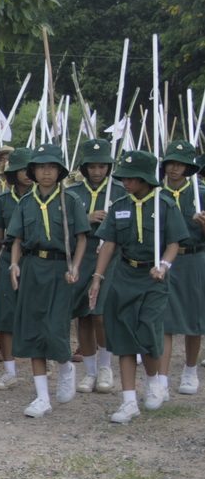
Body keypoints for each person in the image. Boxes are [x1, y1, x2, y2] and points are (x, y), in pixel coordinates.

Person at [89, 150, 188, 422]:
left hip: (153, 278)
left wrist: (164, 265)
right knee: (123, 337)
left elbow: (173, 243)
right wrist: (97, 278)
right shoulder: (120, 205)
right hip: (124, 275)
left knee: (148, 331)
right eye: (124, 177)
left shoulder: (164, 204)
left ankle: (154, 381)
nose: (126, 182)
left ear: (145, 179)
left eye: (132, 178)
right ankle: (129, 400)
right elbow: (108, 244)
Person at [8, 143, 89, 418]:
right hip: (32, 267)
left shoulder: (70, 200)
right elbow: (17, 239)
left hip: (60, 269)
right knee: (33, 331)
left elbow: (81, 238)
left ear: (60, 171)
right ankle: (42, 397)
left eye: (52, 167)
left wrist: (75, 266)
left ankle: (66, 366)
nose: (46, 172)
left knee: (55, 328)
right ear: (33, 171)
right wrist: (14, 265)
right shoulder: (25, 202)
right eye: (41, 167)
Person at [66, 139, 122, 394]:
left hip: (109, 258)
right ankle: (89, 371)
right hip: (82, 255)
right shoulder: (73, 192)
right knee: (83, 314)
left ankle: (106, 367)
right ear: (84, 167)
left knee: (100, 313)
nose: (97, 171)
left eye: (102, 166)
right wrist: (85, 219)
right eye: (92, 166)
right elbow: (62, 223)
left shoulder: (119, 190)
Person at [158, 141, 205, 398]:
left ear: (188, 167)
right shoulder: (156, 194)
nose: (174, 169)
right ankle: (162, 379)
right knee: (164, 320)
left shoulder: (200, 192)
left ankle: (190, 370)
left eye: (180, 164)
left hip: (193, 259)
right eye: (171, 163)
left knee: (193, 318)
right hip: (165, 261)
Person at [0, 147, 33, 390]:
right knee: (4, 315)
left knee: (37, 312)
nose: (27, 174)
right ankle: (9, 371)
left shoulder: (42, 198)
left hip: (35, 259)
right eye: (22, 170)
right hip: (7, 260)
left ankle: (44, 362)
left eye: (30, 169)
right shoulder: (4, 200)